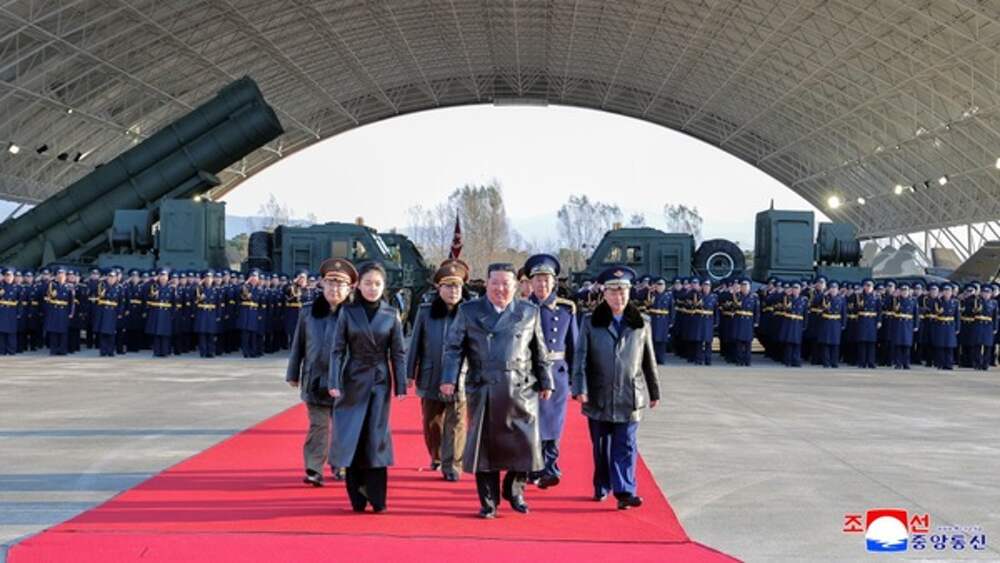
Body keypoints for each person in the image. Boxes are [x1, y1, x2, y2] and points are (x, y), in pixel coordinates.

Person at [440, 263, 553, 519]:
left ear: (516, 285)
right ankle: (488, 501)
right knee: (485, 449)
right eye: (495, 283)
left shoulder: (529, 311)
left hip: (521, 387)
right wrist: (449, 378)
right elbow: (454, 348)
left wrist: (546, 381)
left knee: (525, 444)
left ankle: (515, 490)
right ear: (487, 284)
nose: (500, 289)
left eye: (506, 284)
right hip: (485, 385)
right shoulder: (469, 311)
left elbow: (539, 350)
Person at [571, 266, 659, 510]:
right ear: (604, 293)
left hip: (630, 394)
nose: (618, 297)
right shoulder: (590, 322)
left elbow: (648, 360)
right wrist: (579, 387)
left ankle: (625, 491)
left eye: (623, 292)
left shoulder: (641, 323)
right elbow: (580, 358)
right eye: (613, 292)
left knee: (626, 444)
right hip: (599, 393)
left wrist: (654, 391)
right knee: (601, 446)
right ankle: (602, 484)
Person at [328, 261, 407, 513]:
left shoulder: (391, 314)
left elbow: (398, 352)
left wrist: (401, 384)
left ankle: (377, 497)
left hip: (379, 382)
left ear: (384, 286)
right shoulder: (348, 312)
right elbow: (337, 350)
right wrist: (333, 381)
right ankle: (357, 496)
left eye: (377, 284)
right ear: (358, 285)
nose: (372, 288)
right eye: (368, 283)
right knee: (353, 435)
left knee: (376, 437)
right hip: (352, 380)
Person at [286, 259, 357, 487]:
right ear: (322, 285)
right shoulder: (308, 312)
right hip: (315, 379)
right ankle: (314, 468)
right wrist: (293, 373)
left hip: (346, 381)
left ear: (349, 288)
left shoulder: (356, 315)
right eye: (330, 284)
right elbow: (298, 345)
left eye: (340, 285)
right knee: (318, 426)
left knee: (343, 426)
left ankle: (341, 464)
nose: (335, 289)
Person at [406, 259, 471, 482]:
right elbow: (415, 343)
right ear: (439, 288)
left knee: (457, 422)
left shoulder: (470, 312)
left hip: (461, 376)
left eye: (458, 286)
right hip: (431, 374)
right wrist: (409, 373)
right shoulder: (426, 312)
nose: (454, 291)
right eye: (449, 286)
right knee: (432, 422)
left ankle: (453, 465)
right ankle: (437, 456)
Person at [523, 254, 577, 490]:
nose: (542, 284)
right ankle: (531, 468)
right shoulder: (522, 308)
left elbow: (574, 346)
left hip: (557, 373)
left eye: (546, 280)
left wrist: (577, 380)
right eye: (537, 280)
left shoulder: (566, 309)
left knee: (553, 424)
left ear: (554, 282)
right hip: (529, 375)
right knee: (530, 423)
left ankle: (550, 467)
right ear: (530, 282)